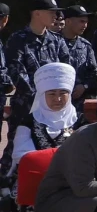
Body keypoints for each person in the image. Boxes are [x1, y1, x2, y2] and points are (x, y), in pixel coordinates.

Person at [3, 0, 71, 174]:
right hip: (26, 105)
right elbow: (16, 71)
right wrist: (39, 96)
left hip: (53, 106)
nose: (56, 16)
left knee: (51, 144)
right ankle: (8, 182)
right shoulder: (18, 39)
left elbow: (65, 70)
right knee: (16, 144)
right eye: (51, 12)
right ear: (37, 14)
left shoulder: (56, 40)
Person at [4, 63, 80, 193]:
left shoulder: (80, 121)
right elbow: (21, 155)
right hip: (36, 180)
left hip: (72, 180)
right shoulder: (29, 121)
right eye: (52, 94)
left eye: (63, 93)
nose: (58, 99)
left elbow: (86, 153)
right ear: (42, 95)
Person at [59, 6, 97, 112]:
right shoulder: (52, 42)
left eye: (86, 22)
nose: (85, 25)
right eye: (81, 21)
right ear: (68, 21)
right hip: (56, 101)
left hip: (79, 104)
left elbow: (94, 72)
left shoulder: (85, 45)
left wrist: (84, 86)